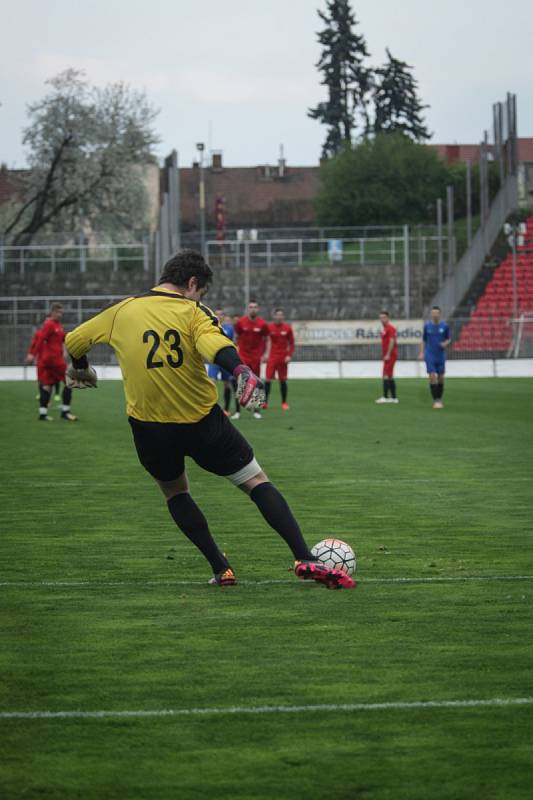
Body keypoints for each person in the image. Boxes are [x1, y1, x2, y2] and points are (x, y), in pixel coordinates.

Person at [64, 250, 354, 590]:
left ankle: (222, 569)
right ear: (191, 284)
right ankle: (304, 556)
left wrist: (81, 368)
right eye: (201, 292)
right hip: (202, 422)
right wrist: (241, 369)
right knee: (255, 480)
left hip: (149, 428)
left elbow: (74, 340)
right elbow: (212, 343)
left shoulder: (122, 310)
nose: (200, 298)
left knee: (175, 493)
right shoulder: (193, 311)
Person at [25, 302, 78, 421]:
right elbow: (40, 340)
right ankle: (65, 411)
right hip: (54, 361)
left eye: (61, 313)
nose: (60, 315)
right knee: (70, 382)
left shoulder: (58, 326)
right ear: (53, 312)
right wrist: (32, 354)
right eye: (58, 312)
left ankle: (43, 414)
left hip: (50, 361)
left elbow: (63, 338)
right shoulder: (50, 325)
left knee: (47, 386)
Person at [234, 300, 270, 420]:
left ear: (258, 309)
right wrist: (236, 351)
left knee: (257, 384)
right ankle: (238, 411)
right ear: (248, 309)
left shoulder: (262, 324)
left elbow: (268, 339)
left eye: (255, 307)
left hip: (256, 357)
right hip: (243, 357)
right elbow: (236, 338)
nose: (253, 309)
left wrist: (266, 353)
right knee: (240, 382)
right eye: (251, 307)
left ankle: (257, 410)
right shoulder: (241, 322)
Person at [206, 309, 239, 417]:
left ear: (224, 316)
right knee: (212, 382)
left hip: (225, 360)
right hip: (214, 359)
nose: (219, 316)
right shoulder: (209, 326)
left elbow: (233, 341)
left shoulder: (229, 328)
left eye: (221, 314)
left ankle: (226, 409)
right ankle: (211, 408)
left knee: (227, 385)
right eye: (217, 314)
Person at [418, 306, 451, 409]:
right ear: (431, 315)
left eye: (437, 313)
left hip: (440, 355)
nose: (435, 315)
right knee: (432, 376)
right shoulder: (427, 326)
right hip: (430, 355)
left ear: (440, 314)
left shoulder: (444, 326)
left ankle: (439, 399)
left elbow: (448, 339)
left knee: (441, 378)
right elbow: (423, 340)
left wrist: (445, 343)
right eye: (433, 313)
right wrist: (421, 352)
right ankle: (436, 400)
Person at [264, 308, 295, 410]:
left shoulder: (287, 328)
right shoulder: (269, 327)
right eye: (277, 315)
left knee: (283, 380)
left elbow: (292, 343)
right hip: (272, 357)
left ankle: (284, 402)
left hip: (283, 358)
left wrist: (289, 355)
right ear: (274, 316)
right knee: (268, 380)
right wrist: (265, 354)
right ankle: (265, 402)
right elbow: (265, 341)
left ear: (283, 317)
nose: (279, 317)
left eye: (281, 315)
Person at [375, 310, 399, 404]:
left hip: (390, 355)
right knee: (389, 376)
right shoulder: (384, 329)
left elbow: (392, 341)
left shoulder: (390, 328)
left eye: (384, 317)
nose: (382, 319)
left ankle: (385, 397)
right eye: (381, 318)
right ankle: (393, 398)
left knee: (385, 375)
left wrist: (388, 354)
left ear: (388, 318)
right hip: (388, 355)